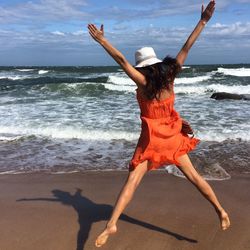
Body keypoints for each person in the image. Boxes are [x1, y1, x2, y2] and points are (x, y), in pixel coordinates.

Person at [87, 0, 230, 247]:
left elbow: (121, 61)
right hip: (173, 137)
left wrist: (102, 41)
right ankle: (220, 210)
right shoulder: (170, 79)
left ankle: (112, 224)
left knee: (131, 182)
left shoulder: (143, 83)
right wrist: (203, 20)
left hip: (151, 140)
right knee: (195, 178)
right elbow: (187, 46)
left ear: (143, 66)